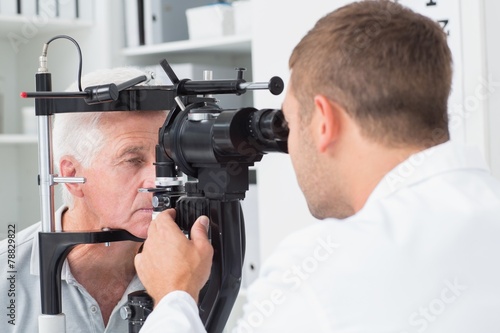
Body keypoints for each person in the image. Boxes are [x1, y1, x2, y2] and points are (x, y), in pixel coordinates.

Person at [134, 1, 500, 332]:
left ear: (324, 121)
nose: (287, 142)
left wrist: (174, 295)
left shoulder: (323, 270)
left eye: (290, 124)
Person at [0, 67, 167, 332]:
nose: (158, 180)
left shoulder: (185, 268)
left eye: (167, 159)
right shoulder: (6, 276)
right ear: (71, 175)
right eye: (132, 160)